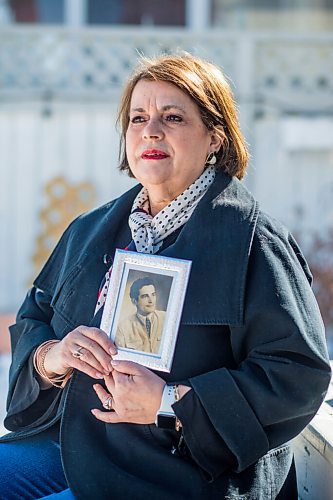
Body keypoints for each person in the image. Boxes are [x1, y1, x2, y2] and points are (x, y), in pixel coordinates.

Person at [0, 53, 331, 500]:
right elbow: (33, 317)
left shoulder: (255, 241)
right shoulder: (89, 231)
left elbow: (298, 372)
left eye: (172, 117)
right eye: (138, 118)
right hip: (78, 442)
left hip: (184, 466)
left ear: (215, 137)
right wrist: (52, 357)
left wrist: (168, 401)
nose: (150, 130)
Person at [115, 277, 165, 354]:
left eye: (153, 295)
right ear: (134, 301)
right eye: (145, 296)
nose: (151, 301)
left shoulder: (166, 318)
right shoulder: (122, 328)